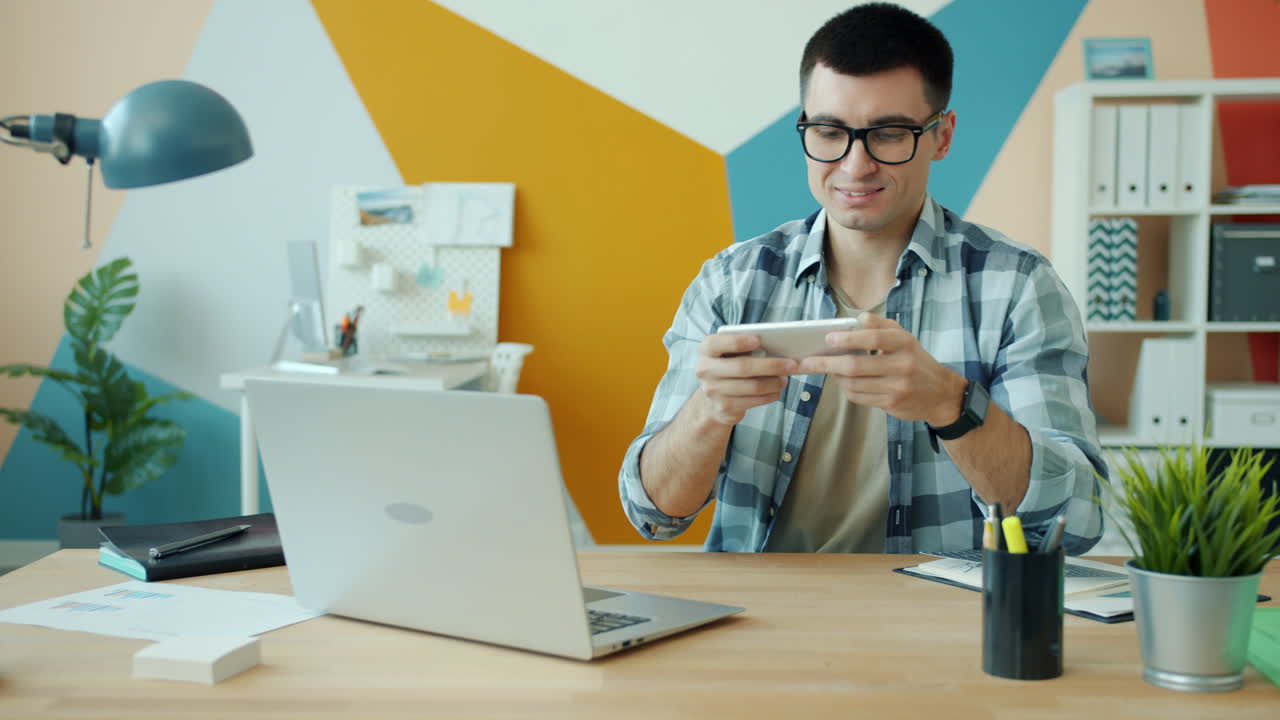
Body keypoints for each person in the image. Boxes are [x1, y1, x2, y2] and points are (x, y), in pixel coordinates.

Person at [617, 2, 1105, 555]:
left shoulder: (1016, 285)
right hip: (757, 626)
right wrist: (710, 411)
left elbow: (1079, 518)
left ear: (941, 136)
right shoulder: (732, 282)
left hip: (938, 626)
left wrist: (954, 405)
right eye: (829, 131)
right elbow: (652, 512)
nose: (854, 166)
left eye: (890, 134)